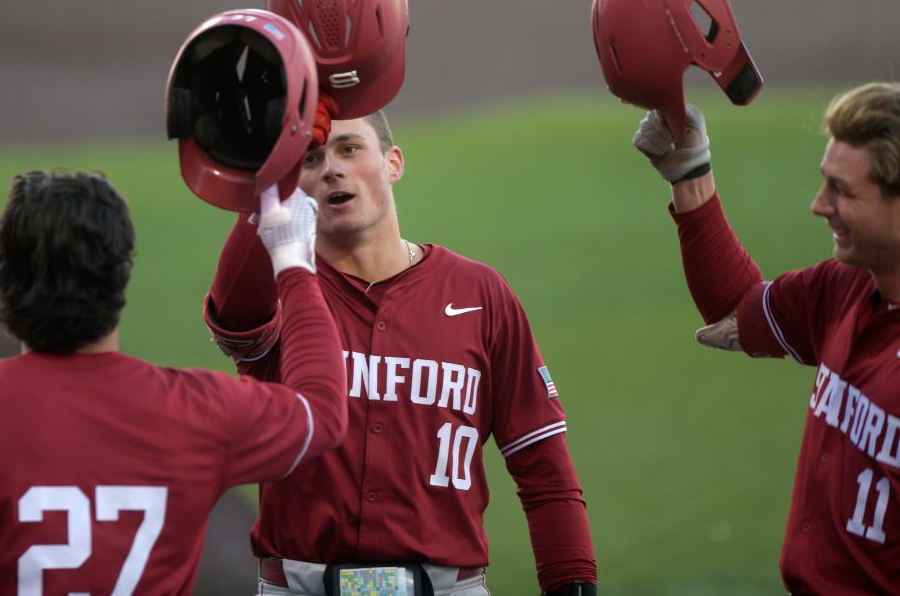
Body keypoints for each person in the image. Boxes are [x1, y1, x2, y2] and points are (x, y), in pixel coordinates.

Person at [205, 110, 597, 596]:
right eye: (310, 159)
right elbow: (234, 309)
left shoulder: (481, 293)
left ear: (393, 163)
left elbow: (542, 463)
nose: (331, 168)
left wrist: (572, 580)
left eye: (349, 148)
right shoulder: (280, 294)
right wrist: (268, 179)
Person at [0, 170, 347, 594]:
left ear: (1, 275)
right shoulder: (198, 411)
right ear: (119, 275)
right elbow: (321, 411)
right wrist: (294, 264)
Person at [633, 82, 900, 594]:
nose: (819, 205)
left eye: (842, 190)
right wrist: (691, 175)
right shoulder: (847, 288)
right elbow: (738, 309)